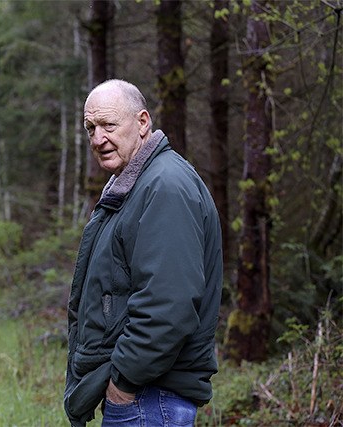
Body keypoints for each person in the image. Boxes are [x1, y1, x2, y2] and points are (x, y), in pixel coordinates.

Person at [63, 79, 223, 427]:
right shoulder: (135, 184)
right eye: (90, 128)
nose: (97, 138)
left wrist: (123, 384)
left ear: (142, 122)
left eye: (109, 125)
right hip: (146, 394)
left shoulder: (164, 186)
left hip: (151, 397)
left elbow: (169, 304)